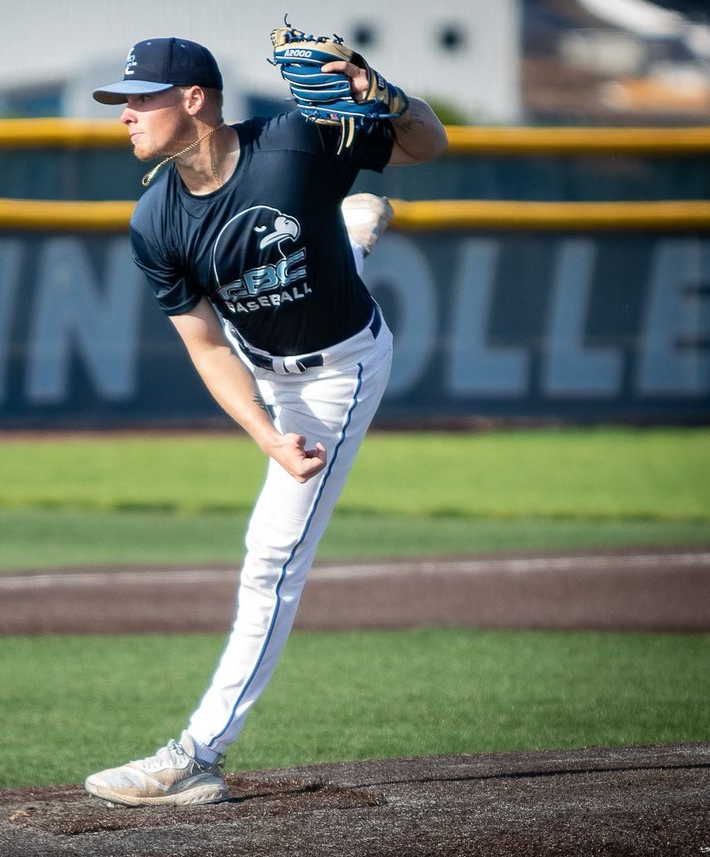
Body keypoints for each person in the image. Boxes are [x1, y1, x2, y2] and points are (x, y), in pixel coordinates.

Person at [84, 35, 448, 807]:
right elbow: (207, 345)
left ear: (194, 99)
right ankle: (350, 233)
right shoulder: (154, 220)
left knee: (270, 560)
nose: (126, 114)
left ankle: (197, 755)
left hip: (339, 371)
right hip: (261, 363)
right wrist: (265, 434)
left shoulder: (292, 143)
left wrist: (386, 96)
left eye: (141, 97)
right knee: (293, 264)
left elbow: (429, 143)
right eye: (124, 101)